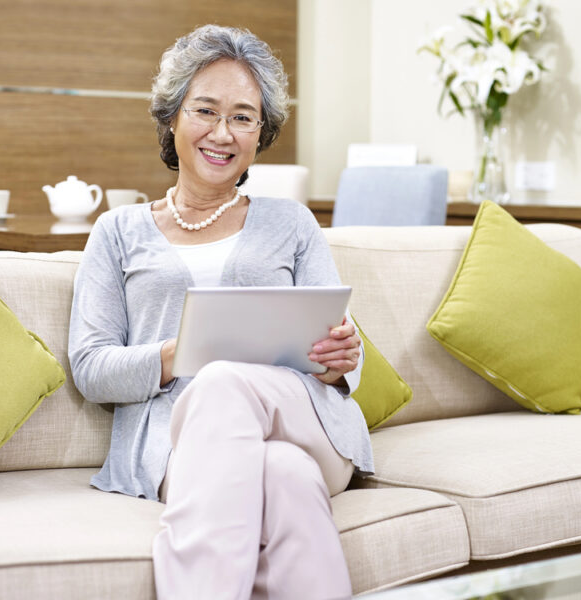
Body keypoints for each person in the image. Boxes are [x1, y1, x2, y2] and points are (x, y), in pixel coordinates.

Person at [68, 24, 374, 600]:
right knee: (283, 475)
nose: (223, 132)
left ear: (261, 133)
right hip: (175, 443)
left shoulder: (292, 223)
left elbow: (340, 366)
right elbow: (90, 367)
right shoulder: (116, 232)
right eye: (206, 110)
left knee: (225, 381)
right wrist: (179, 352)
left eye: (243, 117)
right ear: (172, 118)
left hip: (305, 419)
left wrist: (338, 358)